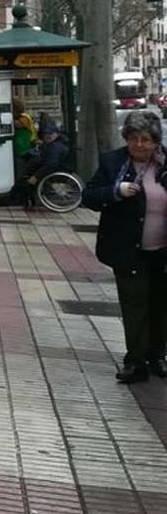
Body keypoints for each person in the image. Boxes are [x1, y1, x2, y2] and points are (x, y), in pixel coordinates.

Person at [83, 110, 167, 383]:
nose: (140, 145)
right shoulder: (113, 163)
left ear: (156, 141)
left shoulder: (165, 164)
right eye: (133, 139)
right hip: (127, 249)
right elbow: (89, 197)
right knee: (134, 304)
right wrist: (115, 191)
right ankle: (135, 361)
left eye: (146, 140)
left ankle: (158, 356)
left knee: (161, 304)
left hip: (162, 251)